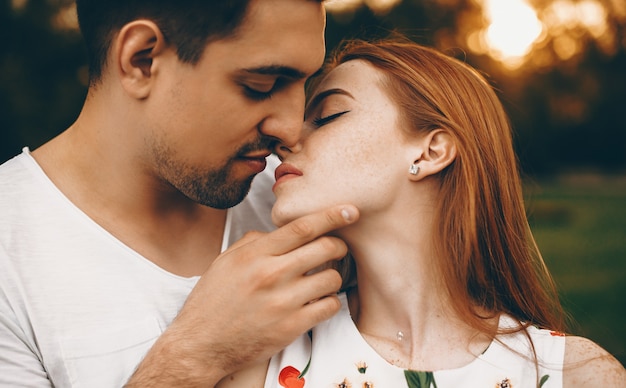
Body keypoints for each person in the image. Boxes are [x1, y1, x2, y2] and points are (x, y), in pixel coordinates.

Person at [219, 38, 626, 387]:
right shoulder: (263, 359)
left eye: (326, 116)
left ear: (430, 151)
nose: (287, 138)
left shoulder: (575, 373)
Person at [0, 0, 361, 386]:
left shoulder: (303, 194)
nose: (291, 128)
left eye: (305, 84)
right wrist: (197, 353)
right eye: (262, 86)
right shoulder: (10, 251)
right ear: (141, 60)